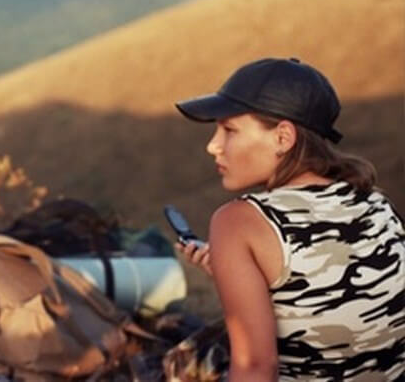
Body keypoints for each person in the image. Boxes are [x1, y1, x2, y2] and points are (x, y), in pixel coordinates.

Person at [173, 57, 405, 381]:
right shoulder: (379, 204)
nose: (213, 146)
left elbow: (256, 367)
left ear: (283, 137)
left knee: (181, 363)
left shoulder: (237, 222)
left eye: (229, 130)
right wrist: (232, 272)